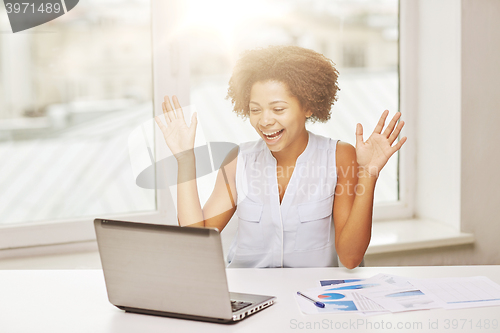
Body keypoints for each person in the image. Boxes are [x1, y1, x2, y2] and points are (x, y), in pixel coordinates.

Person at [155, 45, 406, 269]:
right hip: (249, 296)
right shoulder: (239, 160)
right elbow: (196, 245)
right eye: (255, 110)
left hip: (310, 300)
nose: (264, 121)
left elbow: (351, 257)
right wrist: (185, 160)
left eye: (278, 109)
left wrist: (369, 174)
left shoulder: (339, 156)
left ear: (308, 107)